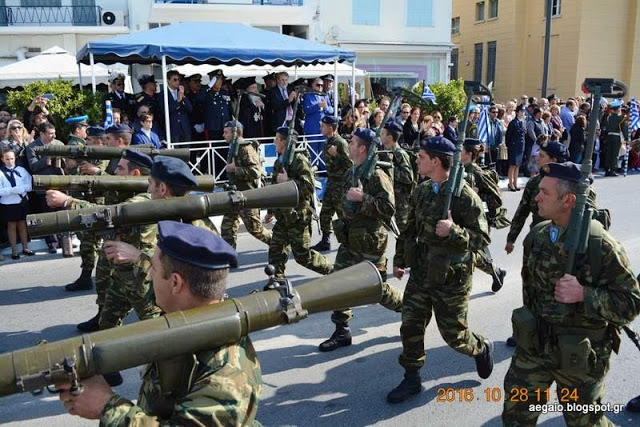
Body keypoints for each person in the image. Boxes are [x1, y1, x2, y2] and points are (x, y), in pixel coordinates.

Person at [57, 221, 262, 426]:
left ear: (175, 283)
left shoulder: (225, 372)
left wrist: (106, 406)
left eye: (153, 268)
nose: (150, 274)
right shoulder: (192, 316)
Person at [502, 162, 640, 426]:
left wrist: (584, 295)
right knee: (515, 417)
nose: (536, 197)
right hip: (534, 349)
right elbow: (529, 291)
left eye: (544, 192)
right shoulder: (538, 236)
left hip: (580, 357)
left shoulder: (603, 247)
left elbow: (631, 306)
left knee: (586, 423)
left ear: (568, 200)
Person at [389, 136, 493, 403]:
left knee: (454, 336)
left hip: (451, 278)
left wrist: (454, 231)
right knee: (410, 324)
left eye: (421, 157)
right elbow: (409, 228)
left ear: (436, 161)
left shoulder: (464, 196)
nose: (417, 160)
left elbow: (481, 239)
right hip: (422, 271)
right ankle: (411, 378)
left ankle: (480, 348)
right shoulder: (421, 190)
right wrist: (399, 258)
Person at [318, 128, 404, 352]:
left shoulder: (377, 175)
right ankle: (342, 331)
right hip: (350, 239)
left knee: (376, 290)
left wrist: (363, 198)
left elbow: (388, 208)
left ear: (363, 148)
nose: (349, 144)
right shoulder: (351, 172)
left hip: (369, 242)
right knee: (338, 283)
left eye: (353, 142)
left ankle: (410, 309)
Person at [265, 127, 333, 278]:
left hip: (297, 217)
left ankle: (334, 271)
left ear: (284, 142)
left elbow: (309, 187)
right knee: (276, 250)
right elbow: (275, 188)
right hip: (283, 216)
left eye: (277, 138)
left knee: (304, 257)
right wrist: (270, 210)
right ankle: (277, 282)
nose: (274, 141)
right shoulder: (279, 162)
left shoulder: (300, 160)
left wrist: (288, 181)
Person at [461, 138, 508, 292]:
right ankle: (496, 271)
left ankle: (495, 271)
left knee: (472, 254)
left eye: (460, 150)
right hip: (462, 217)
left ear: (468, 154)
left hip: (478, 220)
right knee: (471, 253)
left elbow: (496, 199)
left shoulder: (478, 173)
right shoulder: (459, 169)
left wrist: (478, 194)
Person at [220, 120, 272, 249]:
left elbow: (255, 172)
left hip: (247, 195)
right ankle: (229, 256)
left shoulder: (246, 148)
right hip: (234, 194)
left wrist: (235, 169)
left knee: (256, 230)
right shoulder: (233, 147)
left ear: (236, 133)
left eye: (226, 132)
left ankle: (281, 244)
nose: (223, 135)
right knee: (227, 227)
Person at [311, 115, 352, 252]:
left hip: (341, 186)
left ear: (331, 128)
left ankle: (349, 243)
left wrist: (337, 155)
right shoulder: (326, 142)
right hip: (331, 183)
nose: (321, 128)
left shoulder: (341, 143)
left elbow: (350, 164)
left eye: (323, 126)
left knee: (342, 216)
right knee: (325, 213)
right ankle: (325, 240)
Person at [0, 148, 33, 259]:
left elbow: (30, 185)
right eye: (7, 159)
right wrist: (12, 190)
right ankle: (14, 250)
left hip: (22, 202)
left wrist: (22, 188)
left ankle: (25, 247)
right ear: (2, 159)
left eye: (12, 159)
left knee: (23, 224)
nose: (10, 161)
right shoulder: (0, 173)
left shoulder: (21, 170)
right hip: (8, 204)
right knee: (11, 226)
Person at [159, 70, 192, 143]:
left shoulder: (181, 92)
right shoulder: (163, 94)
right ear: (168, 80)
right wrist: (177, 101)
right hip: (172, 129)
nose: (177, 82)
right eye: (175, 80)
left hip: (184, 128)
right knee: (175, 152)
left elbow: (190, 108)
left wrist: (183, 97)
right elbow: (165, 111)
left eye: (178, 80)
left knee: (186, 152)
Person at [602, 100, 629, 176]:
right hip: (616, 137)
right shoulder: (621, 118)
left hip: (608, 137)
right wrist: (627, 138)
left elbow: (605, 128)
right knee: (614, 154)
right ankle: (612, 170)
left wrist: (604, 137)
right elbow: (624, 129)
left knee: (608, 153)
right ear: (618, 109)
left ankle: (607, 170)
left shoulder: (608, 118)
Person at [204, 69, 233, 141]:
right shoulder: (207, 93)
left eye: (221, 80)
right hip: (213, 128)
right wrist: (209, 86)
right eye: (217, 80)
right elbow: (199, 98)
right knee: (214, 149)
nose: (220, 82)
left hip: (225, 127)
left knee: (224, 148)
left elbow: (229, 109)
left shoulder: (224, 93)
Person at [505, 104, 526, 191]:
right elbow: (508, 136)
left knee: (517, 166)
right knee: (512, 165)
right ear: (517, 112)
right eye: (521, 111)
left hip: (520, 146)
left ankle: (515, 183)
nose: (522, 113)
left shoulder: (523, 122)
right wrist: (510, 145)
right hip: (514, 146)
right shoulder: (513, 123)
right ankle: (510, 183)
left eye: (523, 111)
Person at [185, 73, 207, 141]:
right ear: (190, 83)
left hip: (203, 125)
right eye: (195, 82)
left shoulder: (203, 94)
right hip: (192, 127)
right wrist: (193, 125)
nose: (198, 84)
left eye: (199, 82)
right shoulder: (187, 96)